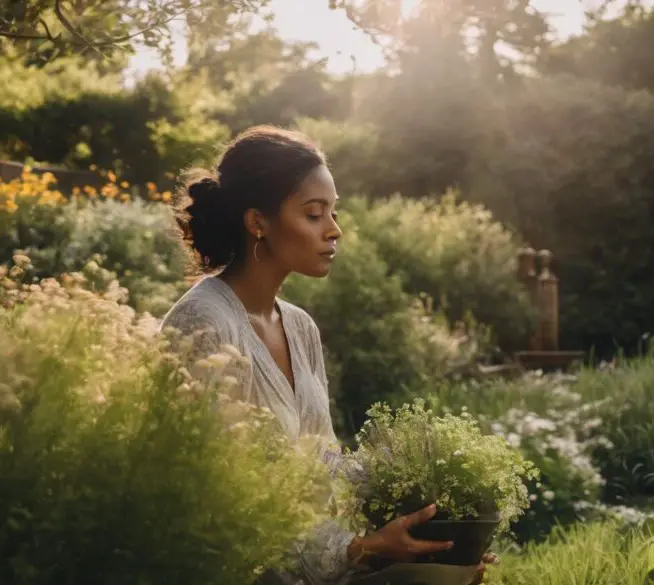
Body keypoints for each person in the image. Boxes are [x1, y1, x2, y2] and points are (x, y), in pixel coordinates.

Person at [160, 126, 495, 585]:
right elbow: (215, 498)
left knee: (453, 575)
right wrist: (358, 550)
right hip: (240, 569)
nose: (334, 230)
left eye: (333, 213)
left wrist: (429, 521)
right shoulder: (203, 325)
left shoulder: (299, 326)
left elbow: (323, 461)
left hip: (314, 564)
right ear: (258, 221)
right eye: (314, 214)